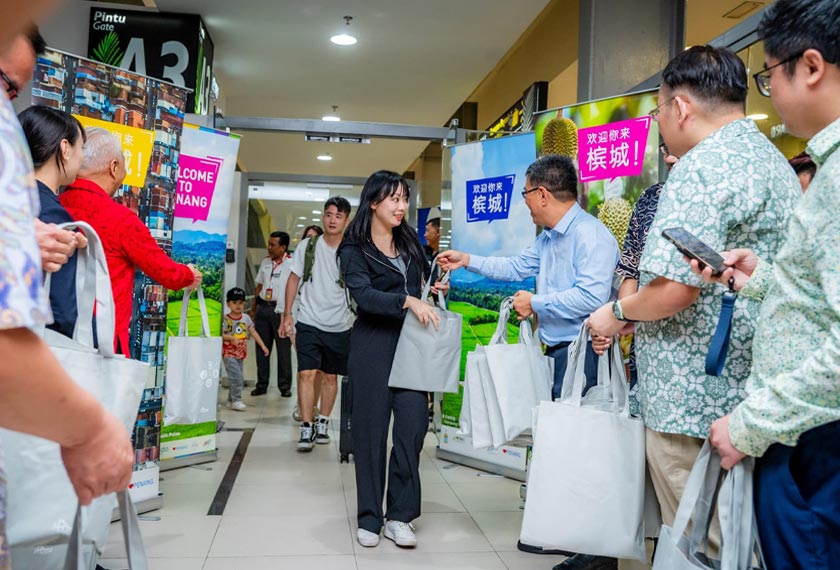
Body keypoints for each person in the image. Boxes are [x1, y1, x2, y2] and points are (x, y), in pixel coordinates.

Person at [587, 45, 801, 563]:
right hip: (752, 391)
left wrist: (615, 315)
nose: (659, 123)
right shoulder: (772, 162)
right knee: (740, 542)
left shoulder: (699, 168)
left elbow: (675, 290)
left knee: (697, 544)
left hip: (692, 405)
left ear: (680, 107)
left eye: (658, 110)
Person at [686, 2, 840, 566]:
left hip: (815, 442)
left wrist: (750, 426)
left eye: (769, 73)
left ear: (812, 66)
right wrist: (761, 280)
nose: (767, 91)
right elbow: (821, 303)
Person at [0, 3, 133, 566]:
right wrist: (89, 428)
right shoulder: (82, 213)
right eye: (8, 87)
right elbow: (15, 330)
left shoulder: (41, 210)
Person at [337, 170, 445, 549]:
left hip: (412, 345)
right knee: (369, 432)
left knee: (412, 429)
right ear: (373, 203)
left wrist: (431, 289)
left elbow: (418, 288)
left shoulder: (411, 243)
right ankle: (369, 516)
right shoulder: (352, 250)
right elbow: (363, 297)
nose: (402, 206)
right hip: (372, 346)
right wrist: (406, 300)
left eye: (404, 198)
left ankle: (400, 514)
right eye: (394, 199)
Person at [60, 127, 202, 355]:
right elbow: (165, 272)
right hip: (101, 339)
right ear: (114, 167)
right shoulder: (120, 219)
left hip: (54, 334)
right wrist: (189, 275)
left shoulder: (55, 204)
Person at [280, 197, 354, 452]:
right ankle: (307, 425)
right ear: (323, 217)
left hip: (340, 322)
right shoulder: (308, 246)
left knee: (330, 376)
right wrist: (287, 314)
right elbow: (293, 279)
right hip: (309, 320)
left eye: (338, 216)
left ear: (346, 220)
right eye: (328, 215)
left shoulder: (352, 249)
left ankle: (323, 421)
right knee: (306, 373)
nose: (332, 220)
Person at [18, 105, 86, 337]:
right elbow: (62, 313)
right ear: (65, 148)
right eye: (81, 148)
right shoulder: (53, 217)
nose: (83, 157)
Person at [250, 231, 293, 397]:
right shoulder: (266, 262)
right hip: (263, 309)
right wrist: (254, 308)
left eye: (273, 245)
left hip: (280, 310)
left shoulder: (291, 264)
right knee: (262, 348)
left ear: (283, 247)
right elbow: (259, 286)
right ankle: (261, 384)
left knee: (283, 350)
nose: (269, 247)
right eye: (268, 244)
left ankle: (284, 386)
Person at [290, 224, 324, 423]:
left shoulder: (327, 261)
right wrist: (286, 318)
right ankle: (302, 404)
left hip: (326, 322)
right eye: (306, 236)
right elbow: (289, 290)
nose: (309, 240)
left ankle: (313, 405)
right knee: (305, 368)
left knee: (320, 369)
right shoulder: (295, 261)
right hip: (300, 319)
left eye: (314, 237)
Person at [222, 287, 269, 411]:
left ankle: (230, 400)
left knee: (236, 377)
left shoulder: (246, 318)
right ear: (228, 304)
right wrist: (231, 338)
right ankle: (236, 400)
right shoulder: (226, 320)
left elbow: (253, 332)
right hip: (229, 354)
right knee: (237, 378)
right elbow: (220, 335)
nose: (238, 306)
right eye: (234, 302)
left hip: (240, 354)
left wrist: (262, 345)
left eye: (241, 303)